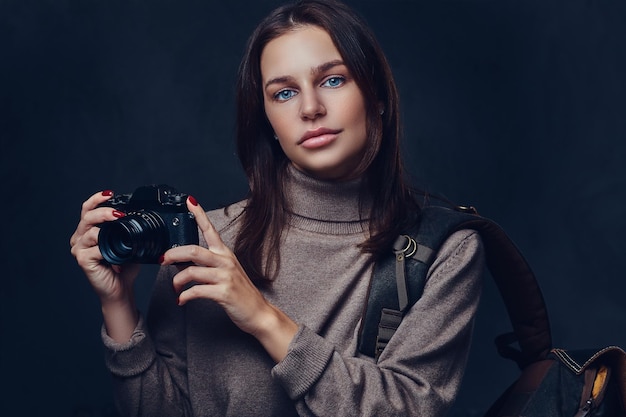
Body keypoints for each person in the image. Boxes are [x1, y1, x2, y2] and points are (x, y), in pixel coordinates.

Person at [70, 0, 485, 415]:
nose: (310, 108)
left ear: (376, 95)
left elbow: (407, 409)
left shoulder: (440, 251)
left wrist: (264, 319)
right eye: (284, 93)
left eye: (333, 80)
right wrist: (118, 305)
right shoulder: (202, 243)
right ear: (267, 118)